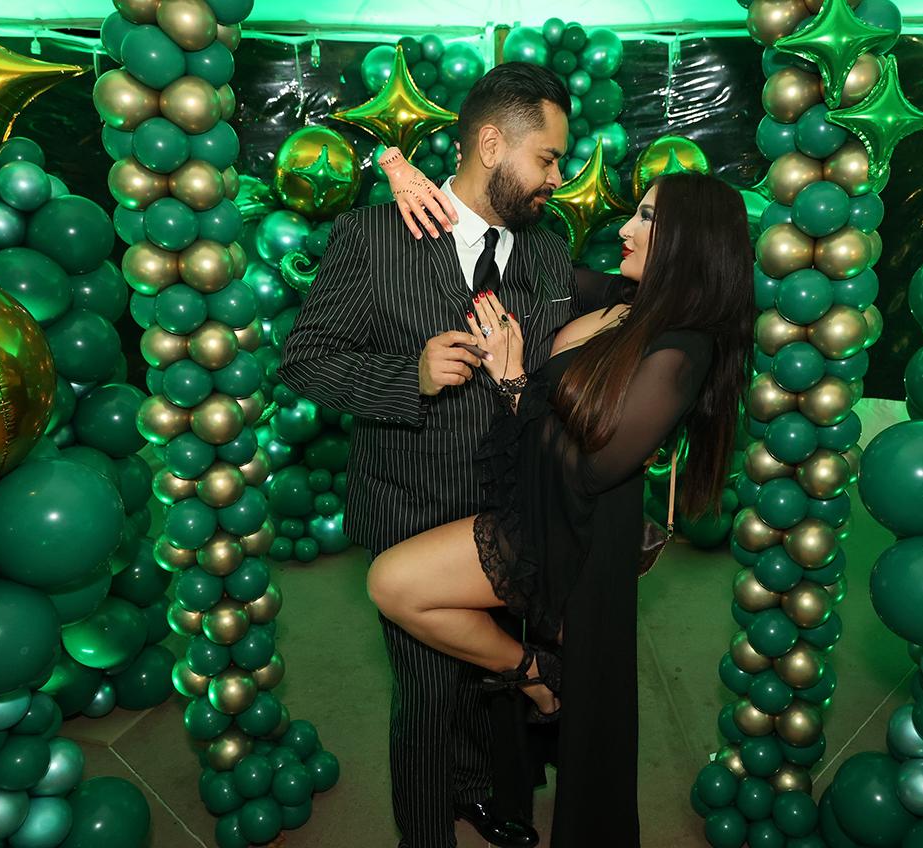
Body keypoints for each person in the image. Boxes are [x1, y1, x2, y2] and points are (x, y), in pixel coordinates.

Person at [366, 169, 755, 846]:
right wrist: (409, 179)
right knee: (405, 591)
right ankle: (537, 678)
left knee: (394, 583)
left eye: (647, 219)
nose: (626, 230)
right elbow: (500, 249)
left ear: (692, 241)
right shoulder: (620, 299)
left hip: (580, 536)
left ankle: (534, 676)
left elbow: (596, 466)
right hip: (536, 504)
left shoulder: (683, 348)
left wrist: (515, 377)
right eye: (634, 214)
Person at [278, 62, 586, 848]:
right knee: (426, 691)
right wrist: (406, 375)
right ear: (491, 142)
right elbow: (305, 360)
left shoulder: (549, 250)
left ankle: (479, 793)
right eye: (548, 158)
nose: (558, 177)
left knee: (485, 684)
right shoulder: (371, 236)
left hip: (510, 511)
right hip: (410, 505)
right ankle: (425, 831)